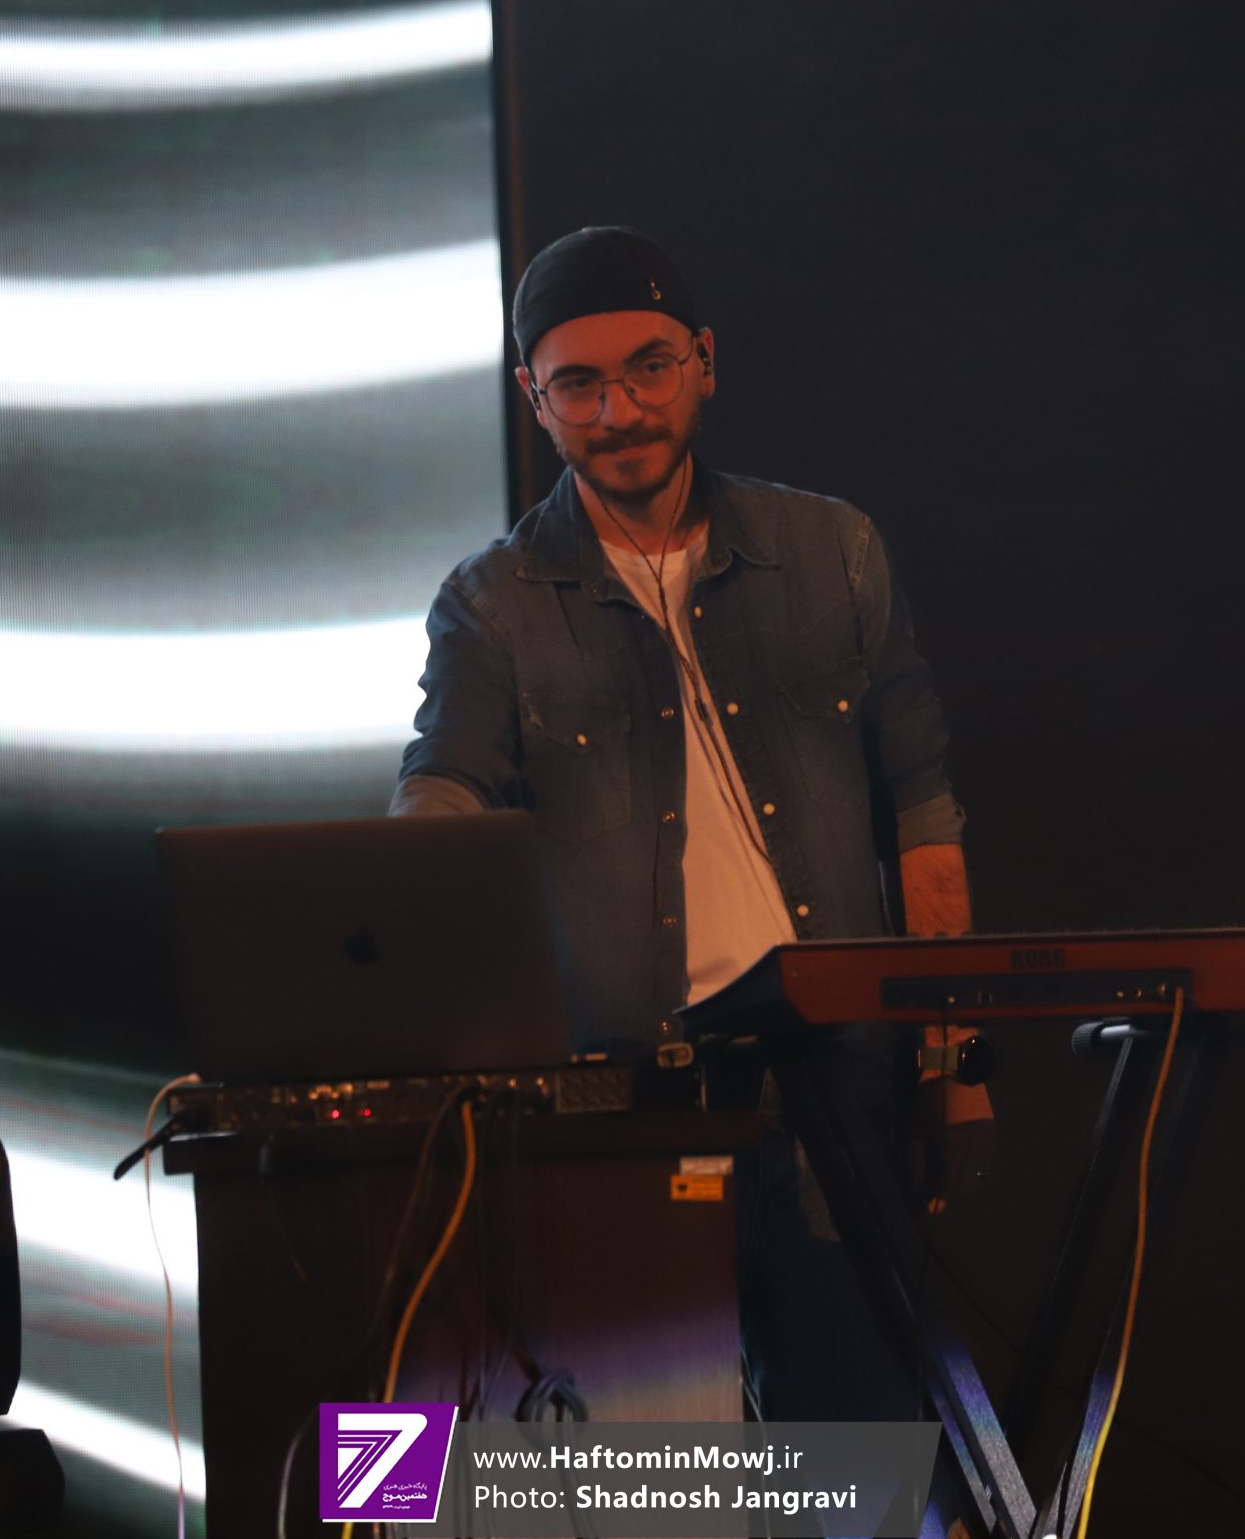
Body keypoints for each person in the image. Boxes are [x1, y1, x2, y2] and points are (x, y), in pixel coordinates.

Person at [391, 226, 992, 1440]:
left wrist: (952, 1065)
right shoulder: (492, 605)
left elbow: (921, 818)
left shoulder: (832, 552)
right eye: (577, 385)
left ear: (704, 362)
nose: (618, 411)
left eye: (648, 369)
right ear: (534, 401)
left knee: (859, 1469)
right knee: (641, 1477)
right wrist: (396, 892)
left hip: (834, 1090)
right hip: (620, 1109)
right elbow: (443, 795)